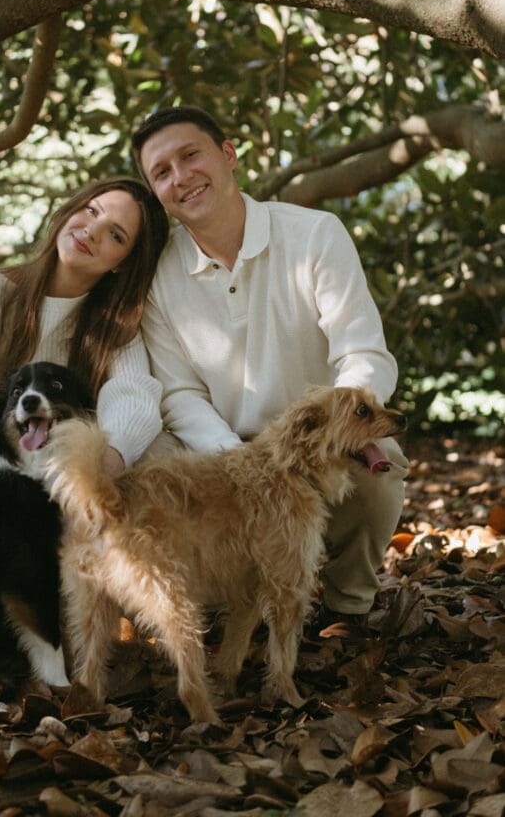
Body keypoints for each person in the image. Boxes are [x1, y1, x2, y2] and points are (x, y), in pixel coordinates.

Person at [132, 106, 408, 627]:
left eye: (191, 155)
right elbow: (178, 393)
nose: (181, 177)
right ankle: (214, 598)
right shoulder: (159, 277)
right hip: (225, 448)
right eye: (161, 172)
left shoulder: (314, 235)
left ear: (228, 154)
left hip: (322, 435)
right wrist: (238, 461)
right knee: (151, 459)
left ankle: (346, 609)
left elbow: (362, 351)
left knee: (380, 463)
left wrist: (337, 431)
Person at [0, 176, 169, 532]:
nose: (92, 230)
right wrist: (12, 483)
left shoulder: (114, 327)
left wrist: (98, 466)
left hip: (68, 485)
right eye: (91, 210)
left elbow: (134, 399)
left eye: (116, 235)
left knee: (158, 459)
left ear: (122, 263)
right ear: (70, 210)